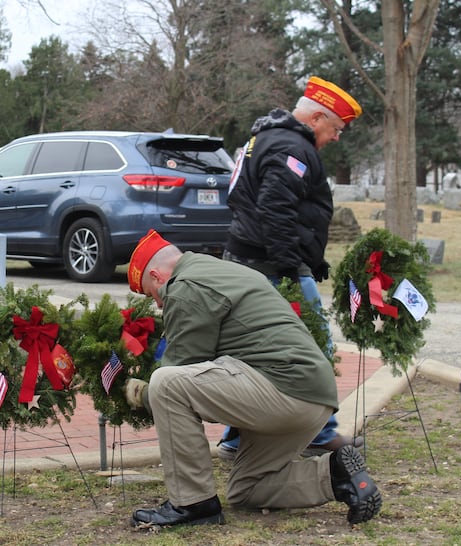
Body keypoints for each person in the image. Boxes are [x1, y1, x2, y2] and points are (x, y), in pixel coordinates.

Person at [124, 229, 382, 528]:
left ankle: (192, 504)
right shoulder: (223, 271)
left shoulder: (185, 286)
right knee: (247, 490)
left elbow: (183, 366)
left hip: (281, 389)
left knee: (166, 384)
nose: (157, 304)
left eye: (151, 294)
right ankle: (336, 474)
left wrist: (137, 393)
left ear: (157, 276)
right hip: (313, 397)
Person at [218, 75, 363, 461]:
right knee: (314, 347)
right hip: (271, 267)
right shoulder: (292, 148)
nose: (336, 138)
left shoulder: (263, 139)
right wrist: (289, 270)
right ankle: (319, 433)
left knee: (256, 352)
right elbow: (275, 208)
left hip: (251, 261)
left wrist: (312, 258)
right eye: (335, 129)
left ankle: (236, 439)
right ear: (316, 118)